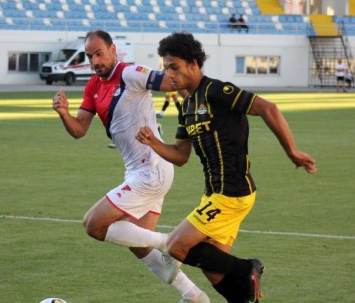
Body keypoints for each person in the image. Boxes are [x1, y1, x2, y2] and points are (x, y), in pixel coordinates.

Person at [136, 32, 317, 302]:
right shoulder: (187, 106)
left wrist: (292, 151)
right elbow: (180, 155)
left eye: (174, 66)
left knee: (175, 246)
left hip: (232, 191)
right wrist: (152, 142)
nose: (170, 74)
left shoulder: (216, 91)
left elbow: (268, 108)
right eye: (165, 68)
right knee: (213, 267)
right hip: (216, 193)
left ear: (194, 63)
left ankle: (248, 267)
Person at [52, 30, 209, 303]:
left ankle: (170, 243)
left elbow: (173, 81)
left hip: (152, 168)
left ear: (113, 50)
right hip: (139, 170)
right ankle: (194, 296)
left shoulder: (130, 73)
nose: (95, 60)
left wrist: (193, 92)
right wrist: (64, 113)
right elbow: (79, 130)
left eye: (99, 53)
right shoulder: (93, 86)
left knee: (93, 224)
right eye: (90, 56)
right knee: (139, 245)